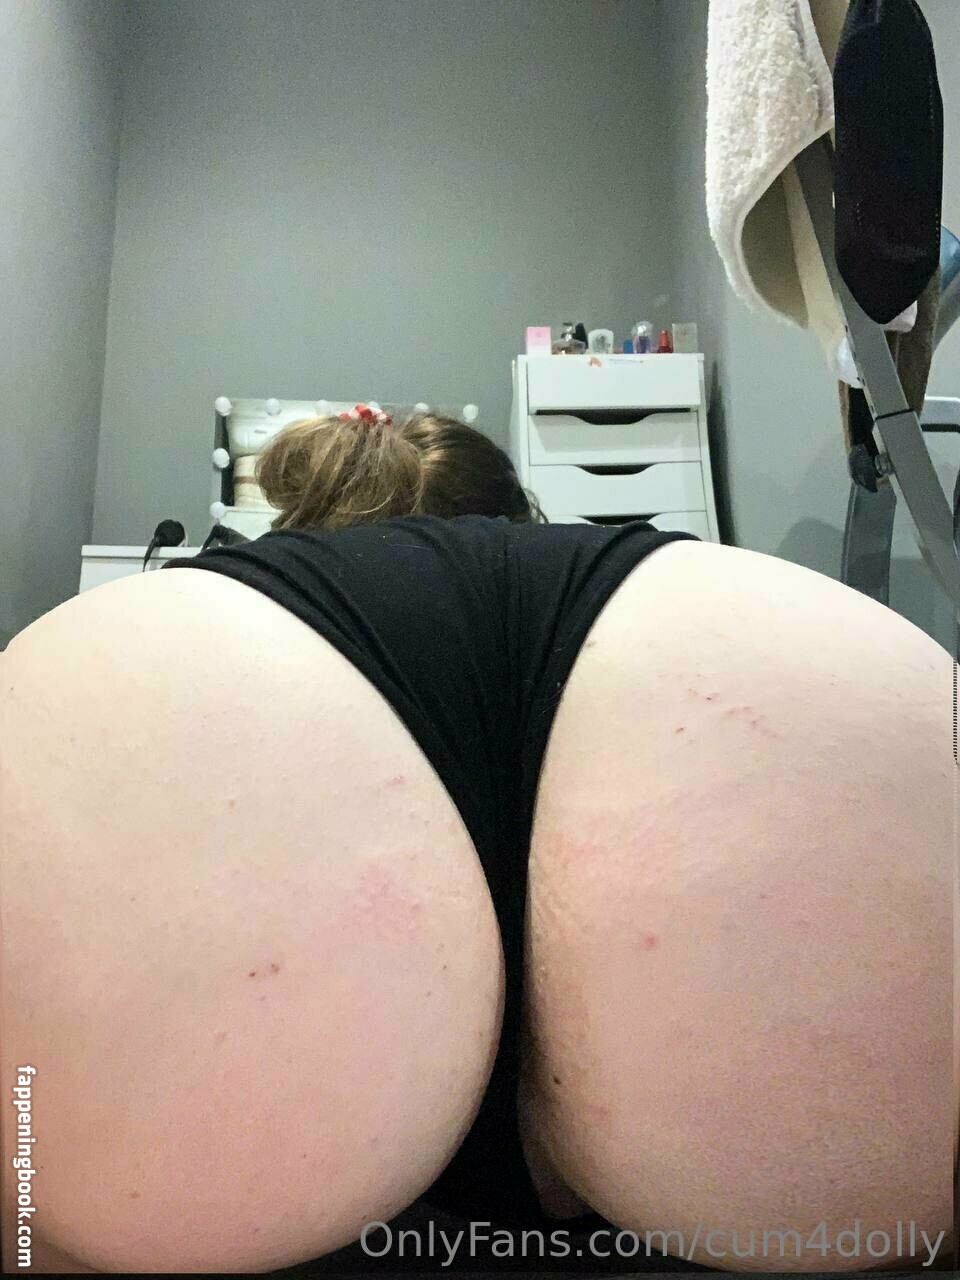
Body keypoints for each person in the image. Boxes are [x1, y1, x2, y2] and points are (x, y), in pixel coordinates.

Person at [1, 408, 954, 1276]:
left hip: (187, 716)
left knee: (55, 1227)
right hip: (780, 672)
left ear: (302, 525)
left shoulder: (230, 605)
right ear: (517, 514)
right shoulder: (611, 569)